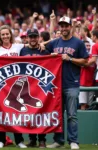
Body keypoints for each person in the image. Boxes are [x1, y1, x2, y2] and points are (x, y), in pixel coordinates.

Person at [46, 16, 89, 149]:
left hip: (72, 84)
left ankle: (73, 141)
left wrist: (69, 59)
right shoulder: (54, 43)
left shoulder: (78, 43)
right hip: (56, 85)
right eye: (62, 26)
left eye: (66, 26)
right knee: (57, 115)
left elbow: (85, 61)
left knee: (72, 115)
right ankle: (58, 141)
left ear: (70, 27)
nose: (64, 28)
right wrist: (49, 55)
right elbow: (43, 53)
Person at [0, 25, 27, 148]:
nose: (5, 36)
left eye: (7, 34)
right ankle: (1, 140)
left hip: (17, 83)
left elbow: (33, 47)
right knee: (2, 112)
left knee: (16, 113)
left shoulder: (19, 46)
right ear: (0, 37)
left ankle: (19, 141)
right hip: (3, 85)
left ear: (10, 35)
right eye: (3, 34)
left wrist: (43, 44)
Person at [20, 28, 49, 148]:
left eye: (34, 37)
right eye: (30, 37)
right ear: (27, 38)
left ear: (38, 38)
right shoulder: (23, 50)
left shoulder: (44, 50)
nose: (32, 39)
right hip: (27, 86)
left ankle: (42, 139)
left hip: (41, 86)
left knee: (41, 113)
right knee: (29, 113)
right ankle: (32, 139)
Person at [79, 41, 96, 110]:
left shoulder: (93, 56)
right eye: (86, 45)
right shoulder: (80, 57)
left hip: (92, 84)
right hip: (83, 83)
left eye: (89, 45)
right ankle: (83, 119)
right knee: (83, 103)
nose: (88, 47)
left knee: (90, 104)